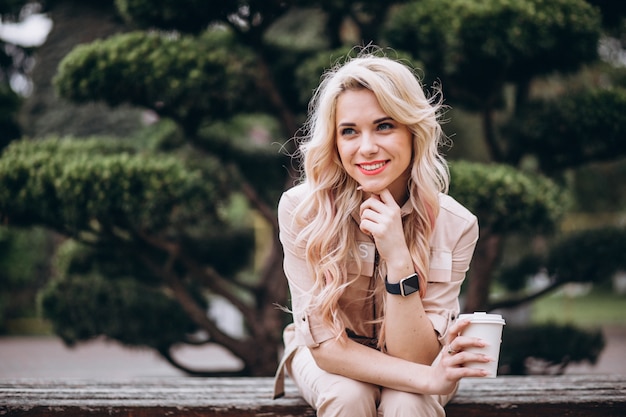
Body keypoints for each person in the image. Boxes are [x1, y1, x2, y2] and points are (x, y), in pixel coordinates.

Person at [272, 50, 488, 417]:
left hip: (417, 356)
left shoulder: (456, 224)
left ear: (412, 130)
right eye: (349, 131)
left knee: (407, 401)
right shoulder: (302, 210)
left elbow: (418, 358)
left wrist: (397, 255)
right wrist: (431, 382)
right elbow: (326, 347)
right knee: (349, 396)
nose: (366, 147)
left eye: (384, 126)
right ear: (335, 143)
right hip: (327, 357)